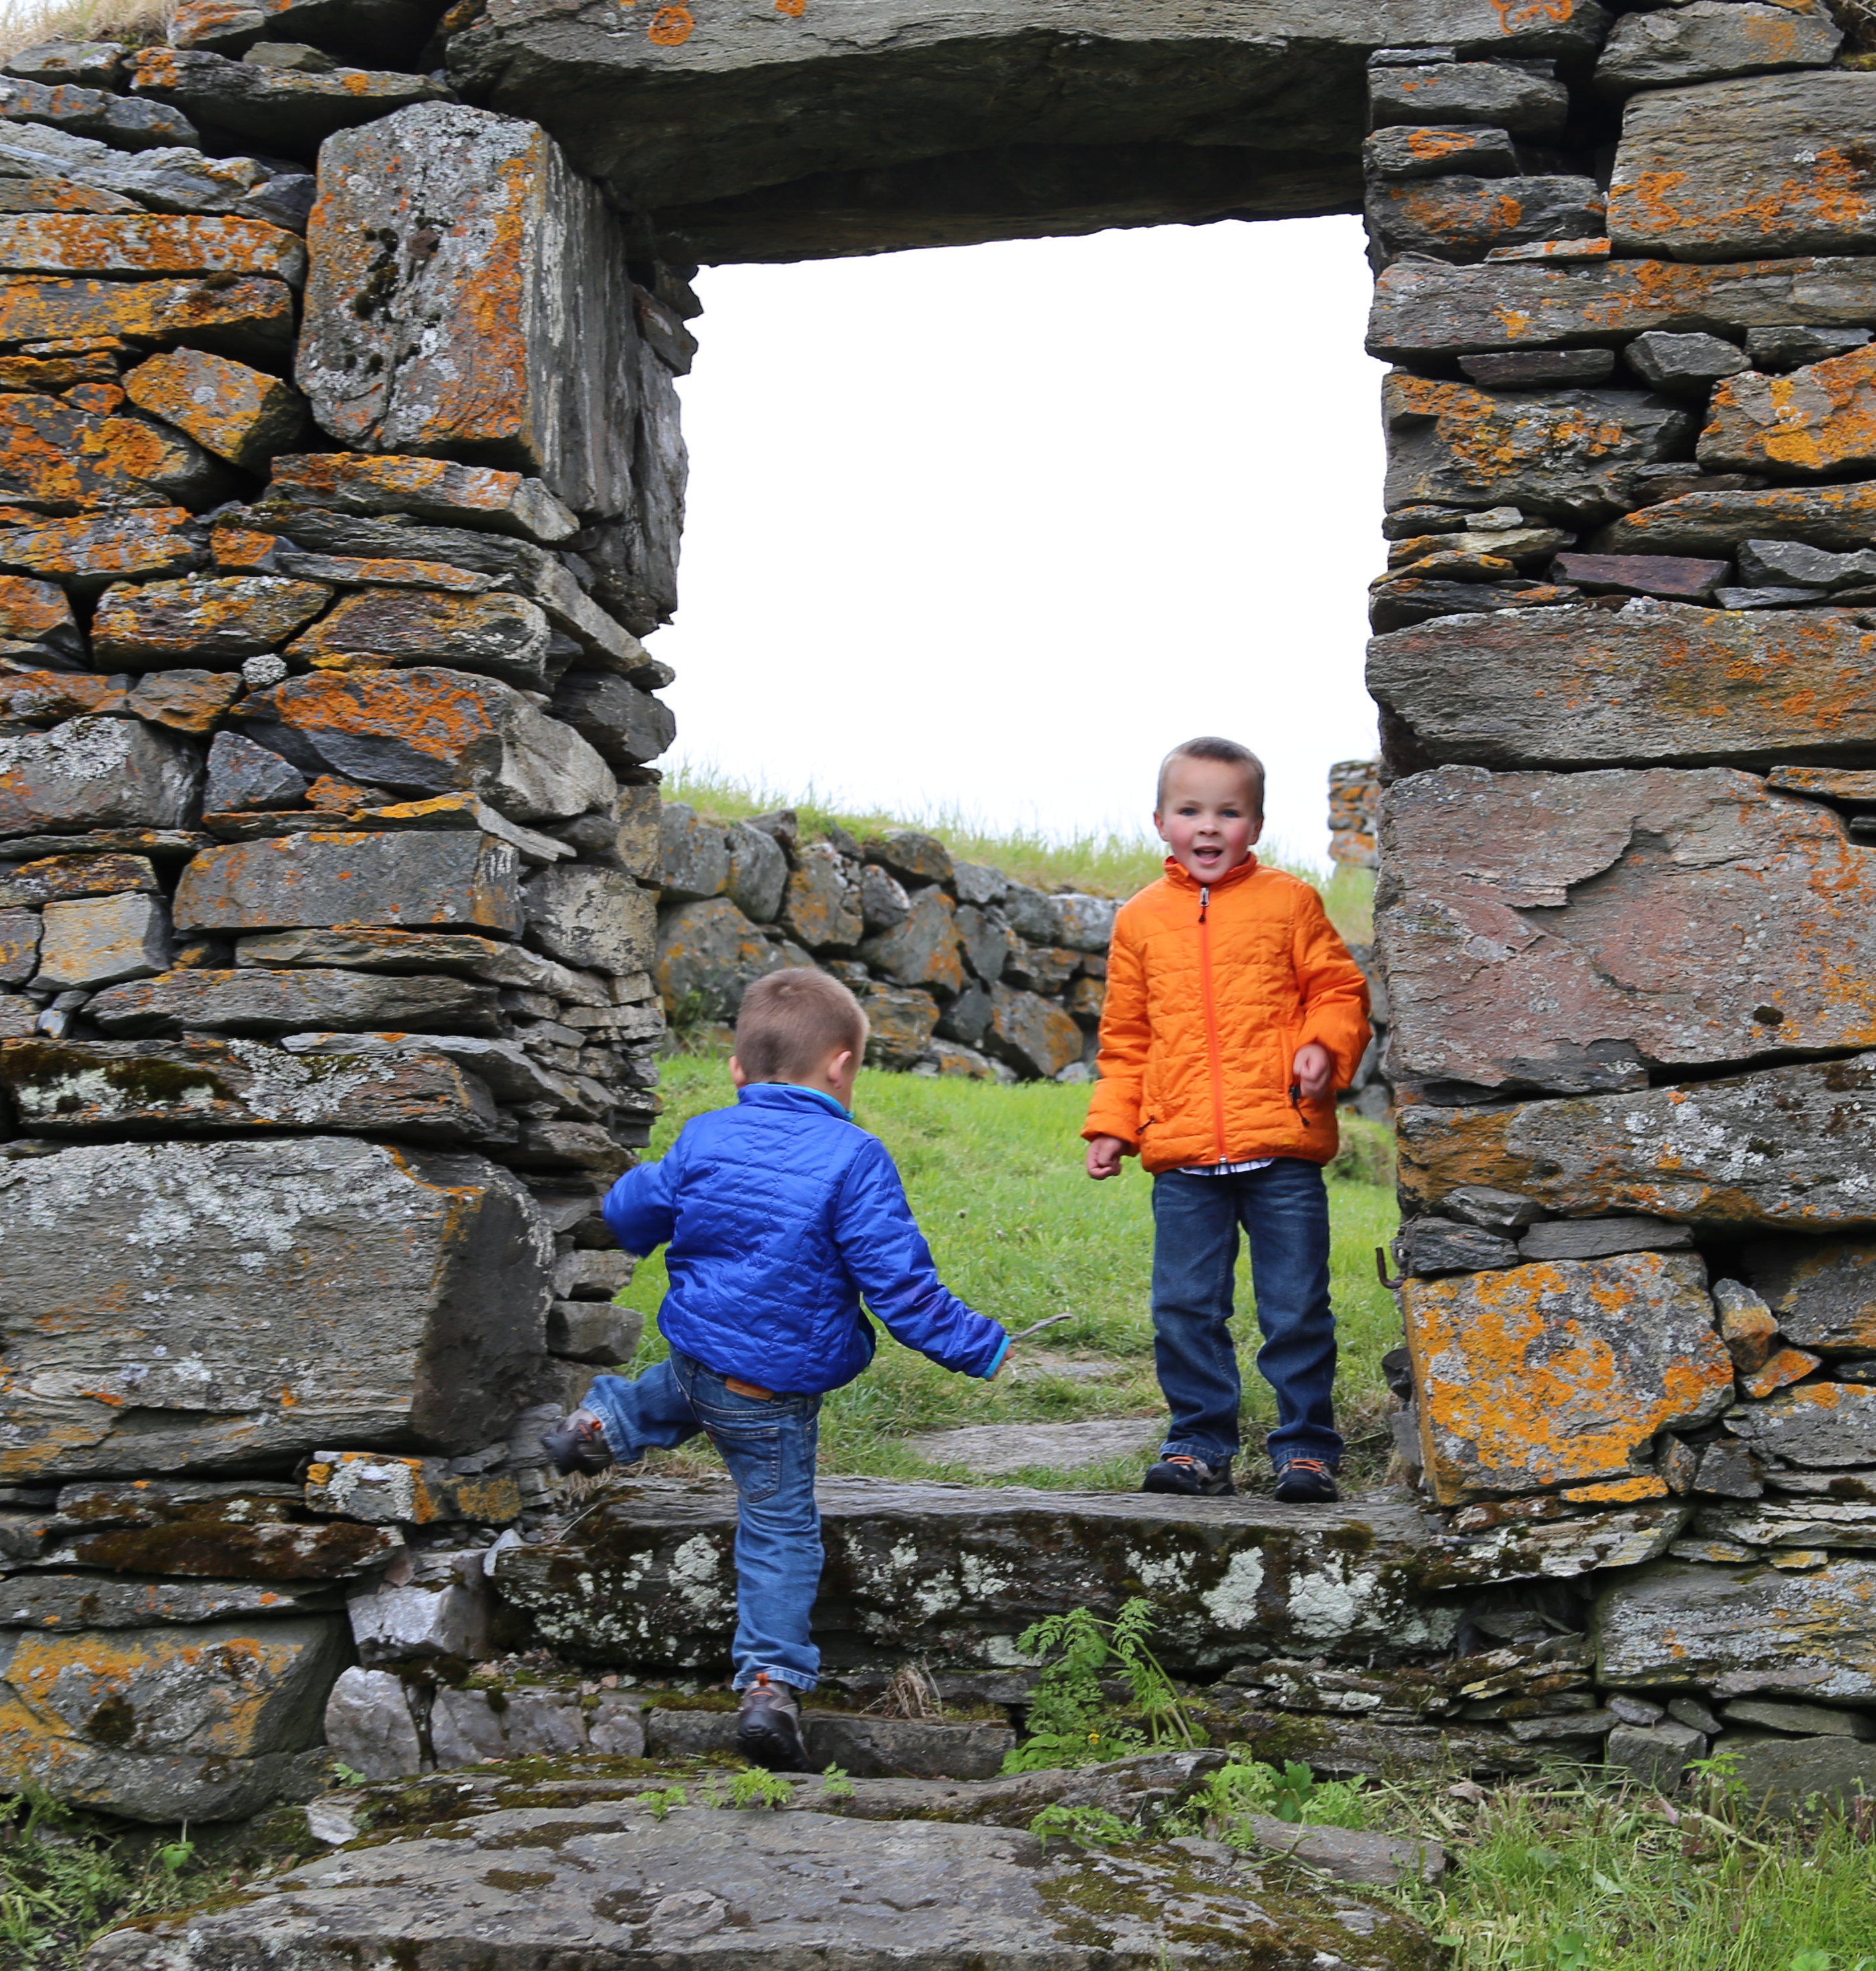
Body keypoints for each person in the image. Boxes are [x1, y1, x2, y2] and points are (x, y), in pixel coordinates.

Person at [541, 966, 1010, 1769]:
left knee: (675, 1394)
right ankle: (769, 1682)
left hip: (699, 1357)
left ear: (736, 1070)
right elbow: (899, 1286)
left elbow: (633, 1208)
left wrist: (630, 1218)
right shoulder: (853, 1159)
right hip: (769, 1394)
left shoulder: (706, 1135)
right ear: (842, 1067)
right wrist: (979, 1344)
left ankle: (596, 1427)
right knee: (779, 1529)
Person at [1083, 735, 1371, 1503]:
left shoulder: (1290, 903)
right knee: (1184, 1308)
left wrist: (1320, 1048)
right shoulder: (1140, 921)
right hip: (1183, 1160)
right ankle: (1198, 1445)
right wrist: (1114, 1123)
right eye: (1190, 810)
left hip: (1281, 1148)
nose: (1208, 827)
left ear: (1257, 823)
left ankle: (1306, 1448)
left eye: (1228, 812)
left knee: (1296, 1307)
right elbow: (1127, 1038)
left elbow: (1339, 993)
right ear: (1160, 821)